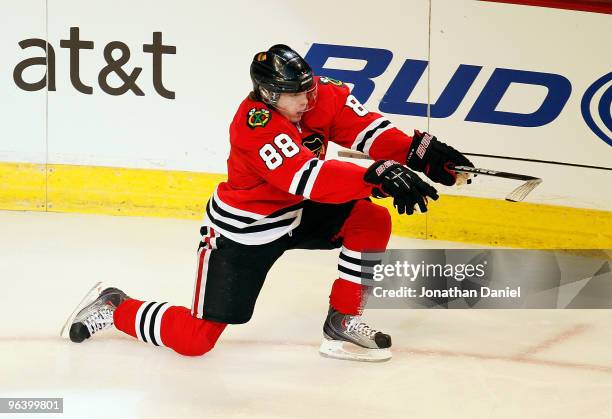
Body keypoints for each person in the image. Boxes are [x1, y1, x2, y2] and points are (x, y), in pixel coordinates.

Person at [63, 44, 473, 362]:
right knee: (195, 341)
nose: (308, 101)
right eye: (296, 96)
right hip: (246, 229)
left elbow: (368, 129)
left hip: (299, 214)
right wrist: (374, 176)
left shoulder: (317, 95)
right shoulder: (252, 124)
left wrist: (421, 151)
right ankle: (117, 305)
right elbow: (306, 178)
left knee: (370, 221)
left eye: (309, 89)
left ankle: (343, 319)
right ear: (268, 93)